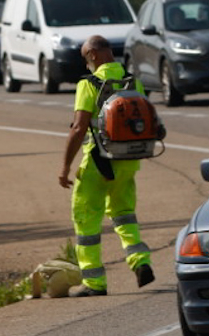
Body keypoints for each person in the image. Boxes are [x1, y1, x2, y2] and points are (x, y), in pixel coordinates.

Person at [57, 35, 155, 297]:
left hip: (98, 163)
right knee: (124, 214)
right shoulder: (133, 81)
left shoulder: (89, 84)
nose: (85, 63)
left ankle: (94, 282)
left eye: (84, 57)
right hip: (128, 162)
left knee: (86, 221)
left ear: (92, 55)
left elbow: (79, 128)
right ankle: (140, 261)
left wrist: (65, 166)